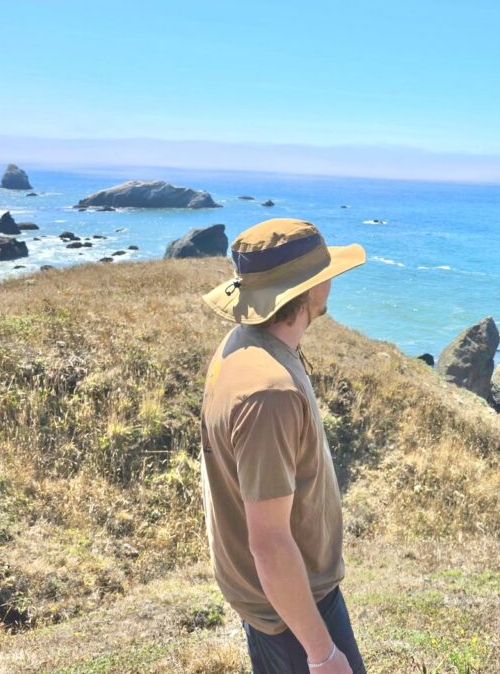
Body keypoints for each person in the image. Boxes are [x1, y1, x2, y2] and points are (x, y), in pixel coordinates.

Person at [199, 218, 368, 674]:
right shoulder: (268, 393)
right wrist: (322, 653)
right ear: (305, 289)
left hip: (281, 599)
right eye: (324, 272)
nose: (331, 280)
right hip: (293, 609)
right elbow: (271, 543)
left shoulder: (244, 342)